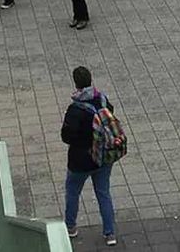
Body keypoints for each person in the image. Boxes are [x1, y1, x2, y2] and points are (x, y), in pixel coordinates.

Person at [61, 66, 117, 246]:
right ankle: (110, 233)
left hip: (81, 161)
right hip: (103, 157)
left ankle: (70, 227)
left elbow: (66, 136)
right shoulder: (102, 99)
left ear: (76, 84)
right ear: (91, 80)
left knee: (72, 192)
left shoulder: (75, 110)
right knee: (103, 193)